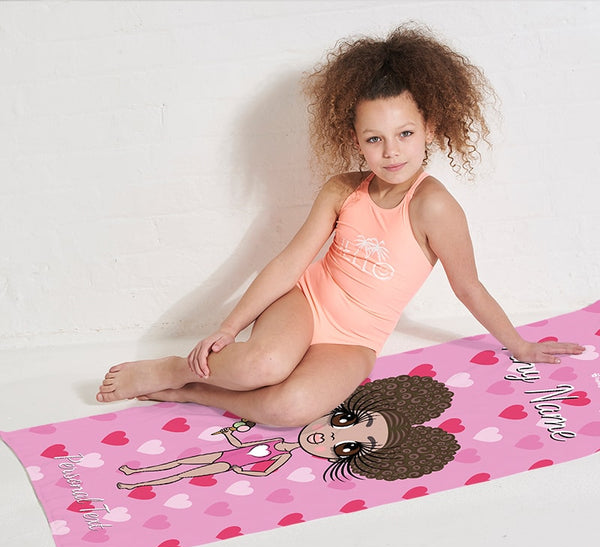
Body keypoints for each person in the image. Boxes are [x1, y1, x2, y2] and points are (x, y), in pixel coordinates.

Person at [97, 24, 583, 426]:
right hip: (306, 302)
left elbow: (468, 286)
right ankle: (173, 367)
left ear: (430, 128)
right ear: (355, 139)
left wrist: (519, 344)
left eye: (405, 133)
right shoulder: (342, 189)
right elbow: (290, 262)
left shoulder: (434, 207)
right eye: (375, 139)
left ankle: (193, 391)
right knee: (262, 365)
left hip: (355, 339)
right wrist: (228, 328)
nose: (391, 152)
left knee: (289, 409)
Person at [115, 375, 459, 489]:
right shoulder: (280, 437)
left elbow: (267, 469)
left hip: (230, 462)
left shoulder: (281, 449)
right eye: (343, 421)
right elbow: (252, 445)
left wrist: (244, 469)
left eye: (348, 448)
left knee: (185, 472)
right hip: (229, 452)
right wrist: (234, 435)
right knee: (182, 464)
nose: (331, 437)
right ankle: (135, 472)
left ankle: (136, 482)